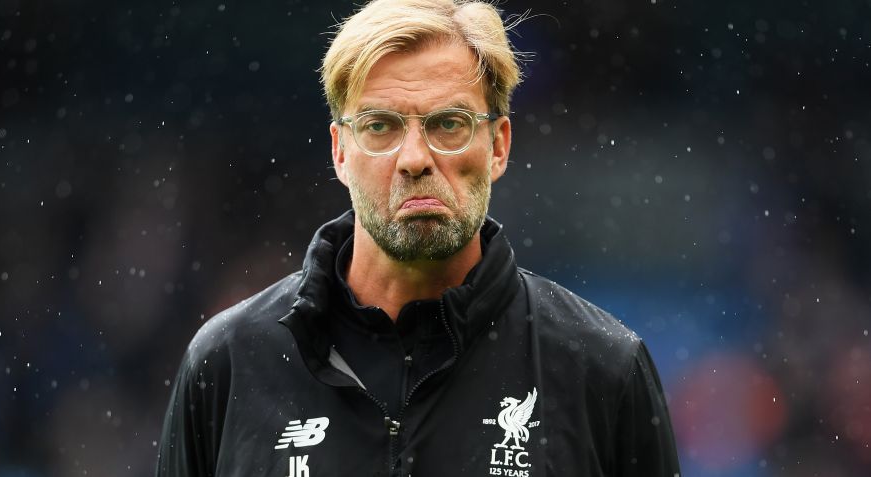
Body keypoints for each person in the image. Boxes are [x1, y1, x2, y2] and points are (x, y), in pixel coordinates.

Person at [156, 1, 681, 476]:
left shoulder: (602, 369)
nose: (414, 159)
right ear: (340, 151)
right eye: (380, 126)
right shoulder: (228, 363)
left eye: (448, 123)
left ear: (498, 145)